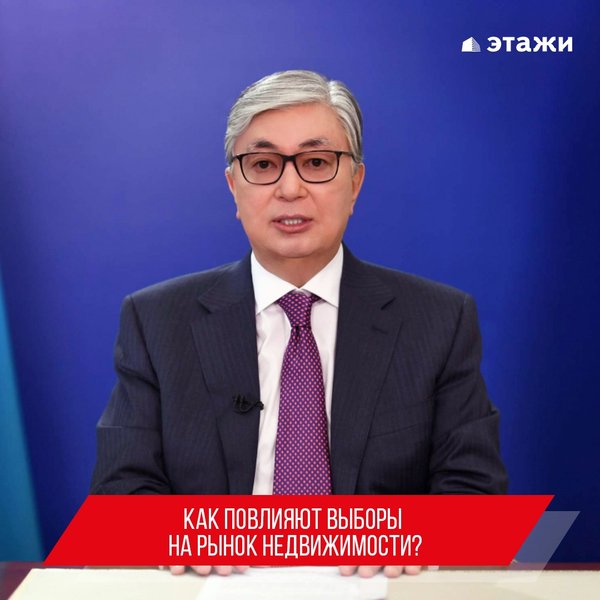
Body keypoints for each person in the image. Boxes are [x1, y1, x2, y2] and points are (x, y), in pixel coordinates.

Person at [91, 70, 508, 578]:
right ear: (234, 187)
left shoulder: (438, 320)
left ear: (355, 184)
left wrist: (423, 535)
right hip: (216, 585)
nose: (290, 189)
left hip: (377, 586)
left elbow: (474, 494)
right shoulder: (157, 319)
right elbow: (121, 492)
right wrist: (171, 535)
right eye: (263, 165)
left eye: (316, 163)